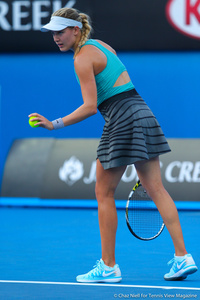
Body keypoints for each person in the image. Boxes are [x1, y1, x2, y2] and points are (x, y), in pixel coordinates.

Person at [29, 7, 197, 283]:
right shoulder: (102, 45)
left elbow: (90, 107)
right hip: (143, 112)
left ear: (75, 30)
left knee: (103, 192)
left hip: (122, 119)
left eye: (60, 32)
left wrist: (54, 124)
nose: (56, 38)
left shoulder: (82, 58)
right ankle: (183, 257)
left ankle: (108, 266)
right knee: (156, 188)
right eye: (53, 33)